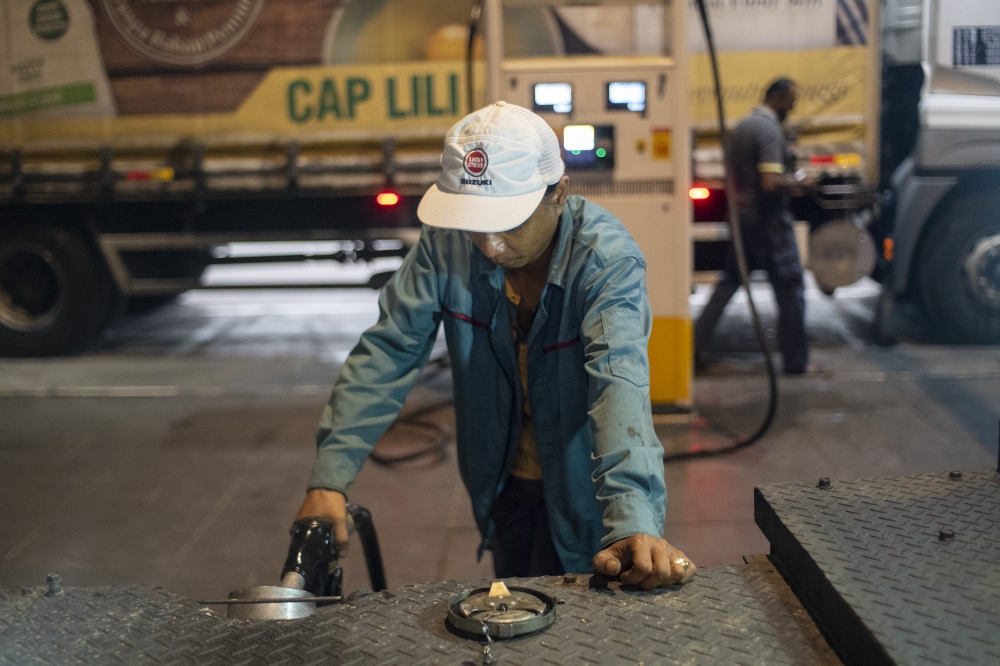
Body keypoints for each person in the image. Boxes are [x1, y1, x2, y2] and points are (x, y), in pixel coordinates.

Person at [294, 102, 696, 589]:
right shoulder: (446, 244)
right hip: (501, 481)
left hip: (587, 488)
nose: (489, 245)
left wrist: (632, 517)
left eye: (507, 222)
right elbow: (390, 348)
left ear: (558, 195)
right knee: (519, 606)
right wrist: (328, 477)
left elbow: (621, 383)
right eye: (475, 222)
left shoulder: (604, 261)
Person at [694, 78, 818, 375]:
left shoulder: (743, 127)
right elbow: (770, 181)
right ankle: (796, 362)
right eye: (790, 99)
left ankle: (693, 349)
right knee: (790, 290)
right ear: (775, 97)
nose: (793, 106)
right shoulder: (769, 131)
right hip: (769, 226)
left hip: (742, 222)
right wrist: (800, 182)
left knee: (727, 286)